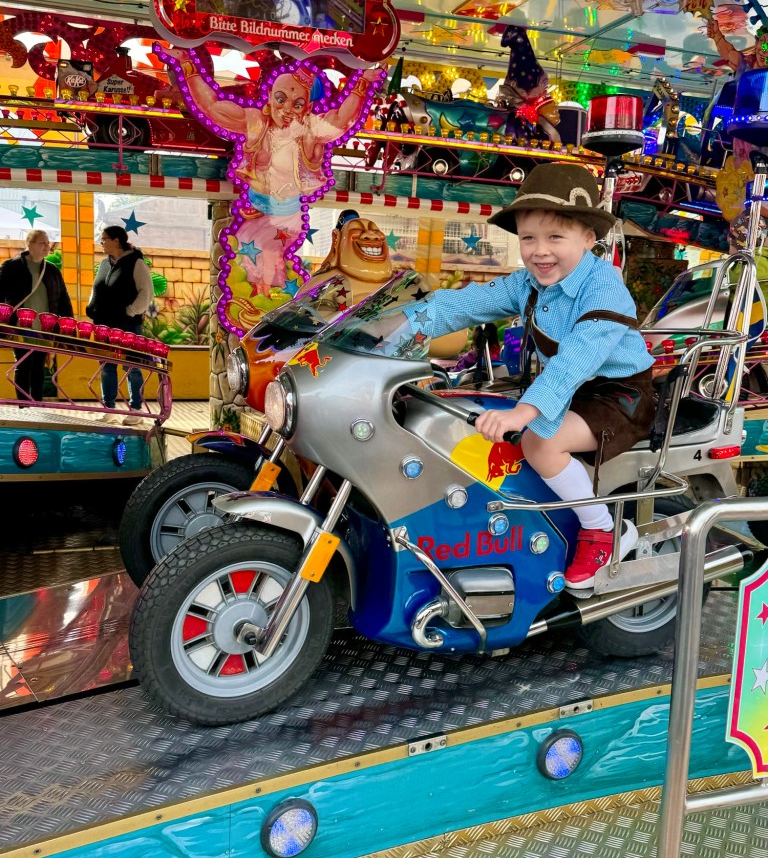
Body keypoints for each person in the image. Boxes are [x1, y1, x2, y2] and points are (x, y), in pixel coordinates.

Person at [404, 163, 656, 589]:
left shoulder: (604, 289)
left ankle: (604, 530)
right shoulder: (528, 284)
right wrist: (394, 322)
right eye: (528, 238)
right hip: (570, 391)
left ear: (588, 239)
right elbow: (464, 304)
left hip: (618, 397)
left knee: (540, 441)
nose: (540, 251)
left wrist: (524, 412)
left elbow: (574, 360)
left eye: (555, 237)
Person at [161, 49, 380, 300]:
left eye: (297, 104)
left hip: (286, 217)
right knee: (246, 267)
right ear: (269, 97)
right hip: (254, 212)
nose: (287, 109)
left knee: (266, 263)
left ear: (308, 107)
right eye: (281, 99)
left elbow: (342, 118)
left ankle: (272, 305)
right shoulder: (256, 122)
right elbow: (211, 107)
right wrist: (187, 65)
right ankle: (262, 307)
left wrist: (362, 84)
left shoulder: (310, 130)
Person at [86, 225, 153, 425]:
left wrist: (130, 311)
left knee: (131, 367)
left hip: (128, 325)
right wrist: (91, 307)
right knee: (107, 366)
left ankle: (136, 410)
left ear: (116, 240)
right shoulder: (104, 264)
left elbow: (146, 292)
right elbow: (96, 289)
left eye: (104, 239)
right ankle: (109, 408)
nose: (101, 242)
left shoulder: (136, 263)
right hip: (104, 325)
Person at [0, 229, 73, 403]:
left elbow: (63, 298)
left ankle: (37, 404)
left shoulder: (52, 270)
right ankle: (24, 405)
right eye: (42, 243)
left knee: (39, 366)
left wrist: (68, 323)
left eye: (47, 243)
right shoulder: (11, 267)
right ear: (30, 245)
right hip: (20, 326)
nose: (47, 246)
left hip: (44, 328)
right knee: (23, 364)